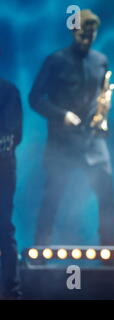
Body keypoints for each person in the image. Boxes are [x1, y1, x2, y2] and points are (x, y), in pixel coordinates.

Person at [29, 9, 114, 247]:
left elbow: (102, 94)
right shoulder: (56, 60)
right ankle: (41, 248)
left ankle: (109, 247)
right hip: (62, 141)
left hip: (93, 139)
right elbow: (35, 98)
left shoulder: (100, 60)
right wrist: (61, 115)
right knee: (53, 195)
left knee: (107, 193)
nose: (88, 38)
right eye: (83, 33)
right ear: (74, 31)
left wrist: (103, 116)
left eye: (92, 33)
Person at [0, 79, 22, 299]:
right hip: (5, 165)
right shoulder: (9, 89)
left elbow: (11, 135)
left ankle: (11, 291)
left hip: (3, 167)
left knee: (4, 227)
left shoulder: (7, 90)